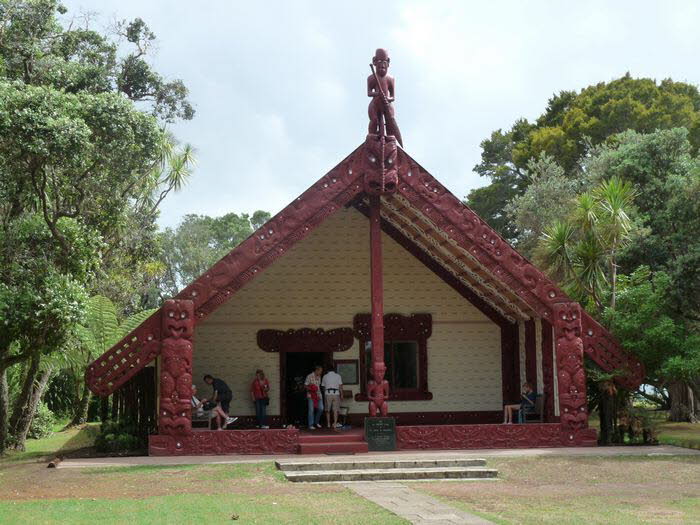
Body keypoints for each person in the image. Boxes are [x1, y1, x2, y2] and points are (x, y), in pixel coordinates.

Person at [321, 366, 343, 431]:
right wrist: (342, 394)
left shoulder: (325, 376)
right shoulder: (338, 376)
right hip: (336, 393)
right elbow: (340, 386)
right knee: (335, 410)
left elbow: (323, 386)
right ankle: (335, 423)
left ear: (328, 370)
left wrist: (324, 393)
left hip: (327, 393)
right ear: (334, 370)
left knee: (327, 410)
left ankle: (328, 423)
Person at [304, 365, 324, 430]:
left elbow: (318, 386)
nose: (321, 372)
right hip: (311, 395)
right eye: (320, 371)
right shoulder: (309, 376)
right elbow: (305, 386)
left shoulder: (319, 376)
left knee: (321, 408)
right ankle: (310, 424)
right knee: (311, 410)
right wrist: (311, 389)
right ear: (316, 370)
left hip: (318, 395)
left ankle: (316, 422)